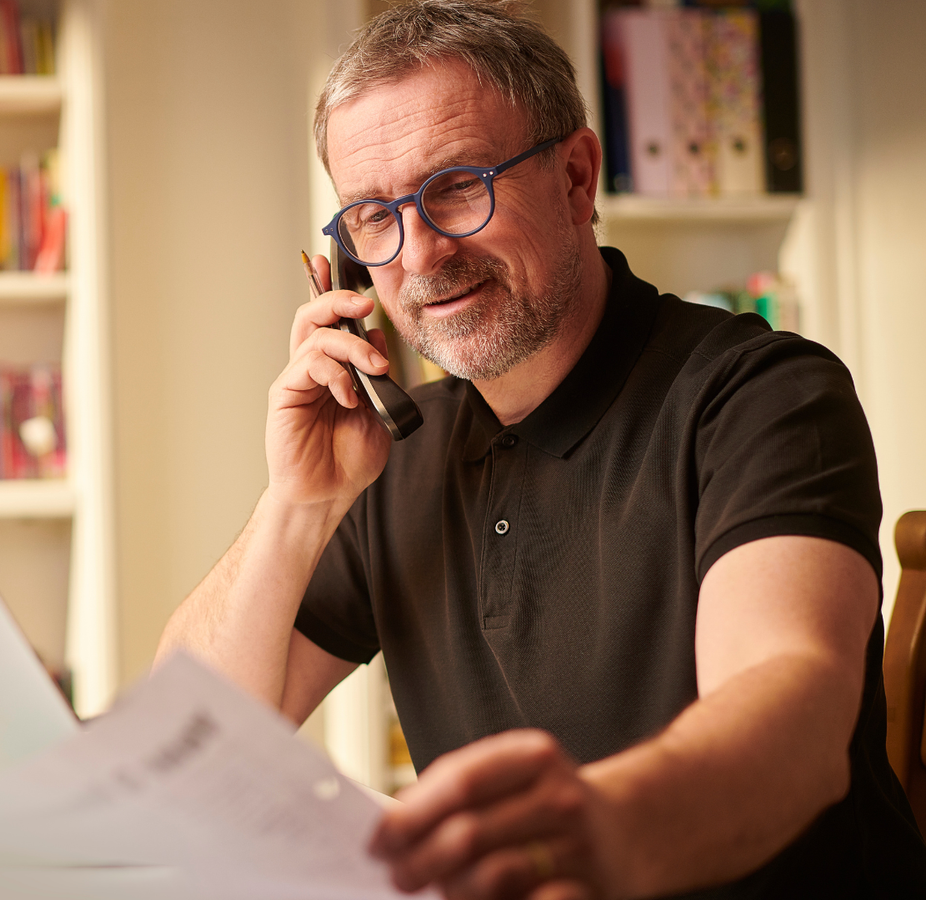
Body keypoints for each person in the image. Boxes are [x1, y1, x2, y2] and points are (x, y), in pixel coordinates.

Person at [155, 1, 926, 897]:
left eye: (455, 187)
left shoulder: (758, 396)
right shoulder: (394, 451)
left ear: (576, 177)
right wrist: (299, 503)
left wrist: (599, 830)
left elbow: (795, 721)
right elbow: (184, 736)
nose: (419, 254)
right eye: (373, 215)